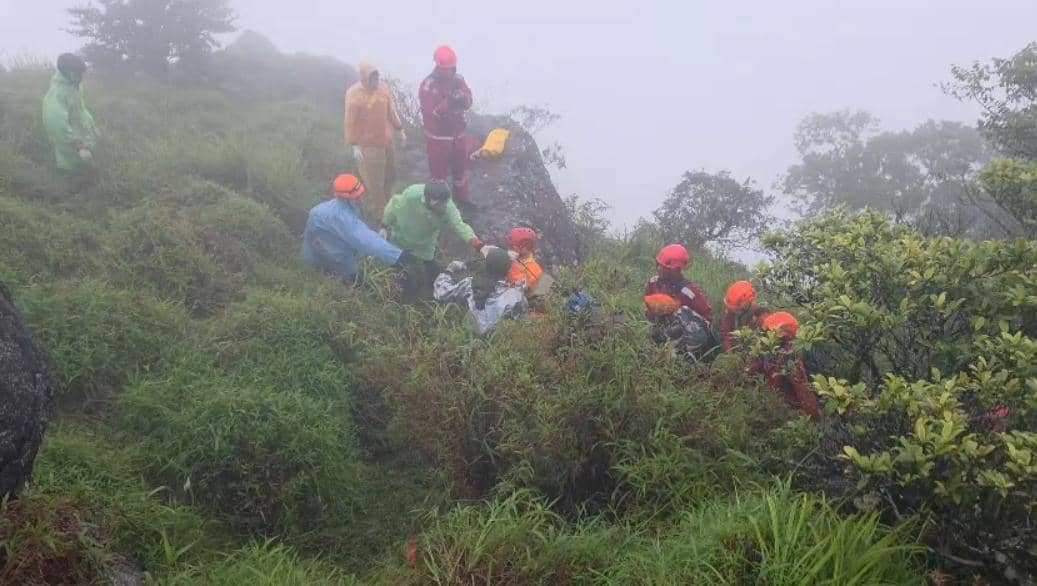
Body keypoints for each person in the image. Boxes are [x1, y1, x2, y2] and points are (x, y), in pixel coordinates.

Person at [380, 180, 485, 298]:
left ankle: (434, 288)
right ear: (430, 201)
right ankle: (405, 295)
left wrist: (478, 244)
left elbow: (460, 225)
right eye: (440, 204)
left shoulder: (449, 209)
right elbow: (394, 207)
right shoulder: (412, 195)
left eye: (445, 203)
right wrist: (384, 225)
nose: (443, 207)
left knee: (430, 266)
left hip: (425, 244)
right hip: (401, 238)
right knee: (402, 271)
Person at [301, 174, 412, 284]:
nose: (360, 198)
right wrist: (397, 256)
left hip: (313, 256)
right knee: (359, 284)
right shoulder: (342, 218)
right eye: (357, 196)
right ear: (347, 197)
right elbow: (365, 241)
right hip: (338, 262)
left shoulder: (321, 209)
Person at [345, 61, 405, 224]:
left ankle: (391, 206)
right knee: (375, 181)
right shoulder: (354, 95)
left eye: (377, 77)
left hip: (386, 141)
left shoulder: (383, 90)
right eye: (372, 78)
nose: (375, 81)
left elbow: (391, 111)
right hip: (368, 145)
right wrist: (354, 145)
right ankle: (380, 215)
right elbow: (350, 122)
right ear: (365, 78)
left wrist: (399, 129)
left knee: (391, 175)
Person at [419, 45, 475, 207]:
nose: (449, 72)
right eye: (445, 69)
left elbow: (469, 99)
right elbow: (432, 114)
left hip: (458, 135)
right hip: (438, 139)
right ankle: (439, 208)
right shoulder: (428, 86)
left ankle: (463, 201)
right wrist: (448, 102)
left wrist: (463, 99)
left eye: (451, 68)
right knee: (439, 176)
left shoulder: (458, 80)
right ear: (438, 67)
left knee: (461, 172)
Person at [433, 247, 528, 336]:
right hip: (497, 343)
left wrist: (449, 270)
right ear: (507, 271)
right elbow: (523, 321)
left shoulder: (469, 283)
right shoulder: (516, 295)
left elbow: (441, 293)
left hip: (469, 337)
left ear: (486, 266)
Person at [751, 311, 821, 422]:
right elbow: (753, 369)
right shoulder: (770, 350)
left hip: (788, 414)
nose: (766, 335)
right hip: (773, 404)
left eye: (771, 333)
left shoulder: (791, 360)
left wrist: (814, 425)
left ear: (784, 337)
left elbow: (806, 397)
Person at [42, 53, 98, 176]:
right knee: (73, 172)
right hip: (71, 144)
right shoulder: (58, 93)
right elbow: (55, 123)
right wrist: (76, 145)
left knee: (89, 167)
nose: (82, 76)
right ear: (69, 72)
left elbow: (81, 109)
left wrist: (92, 126)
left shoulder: (74, 85)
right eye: (79, 73)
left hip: (83, 137)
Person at [644, 244, 714, 326]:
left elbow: (707, 318)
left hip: (682, 334)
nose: (659, 268)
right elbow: (647, 303)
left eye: (663, 267)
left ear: (675, 270)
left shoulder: (689, 292)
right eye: (658, 264)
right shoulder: (653, 282)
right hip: (657, 328)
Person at [721, 280, 771, 351]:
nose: (733, 310)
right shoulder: (732, 312)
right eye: (732, 308)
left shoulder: (761, 315)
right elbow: (725, 334)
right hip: (737, 351)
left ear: (747, 305)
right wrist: (730, 352)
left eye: (736, 308)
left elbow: (769, 337)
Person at [505, 227, 545, 295]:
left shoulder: (535, 270)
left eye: (513, 246)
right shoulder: (513, 257)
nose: (511, 249)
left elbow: (521, 288)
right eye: (510, 246)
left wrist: (513, 264)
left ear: (526, 246)